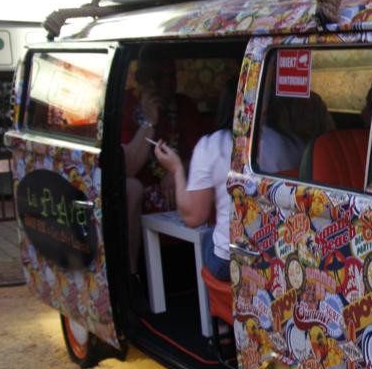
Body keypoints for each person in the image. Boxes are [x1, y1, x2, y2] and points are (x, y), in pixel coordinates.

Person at [153, 88, 303, 281]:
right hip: (284, 253)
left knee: (209, 238)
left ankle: (210, 301)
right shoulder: (293, 143)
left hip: (235, 261)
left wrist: (176, 170)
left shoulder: (211, 145)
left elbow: (193, 217)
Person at [122, 54, 180, 274]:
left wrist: (177, 170)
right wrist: (149, 121)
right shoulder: (125, 106)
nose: (167, 83)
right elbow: (129, 169)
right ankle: (133, 276)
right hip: (144, 190)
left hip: (179, 188)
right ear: (142, 80)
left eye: (171, 76)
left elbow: (202, 151)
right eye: (158, 77)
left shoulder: (184, 105)